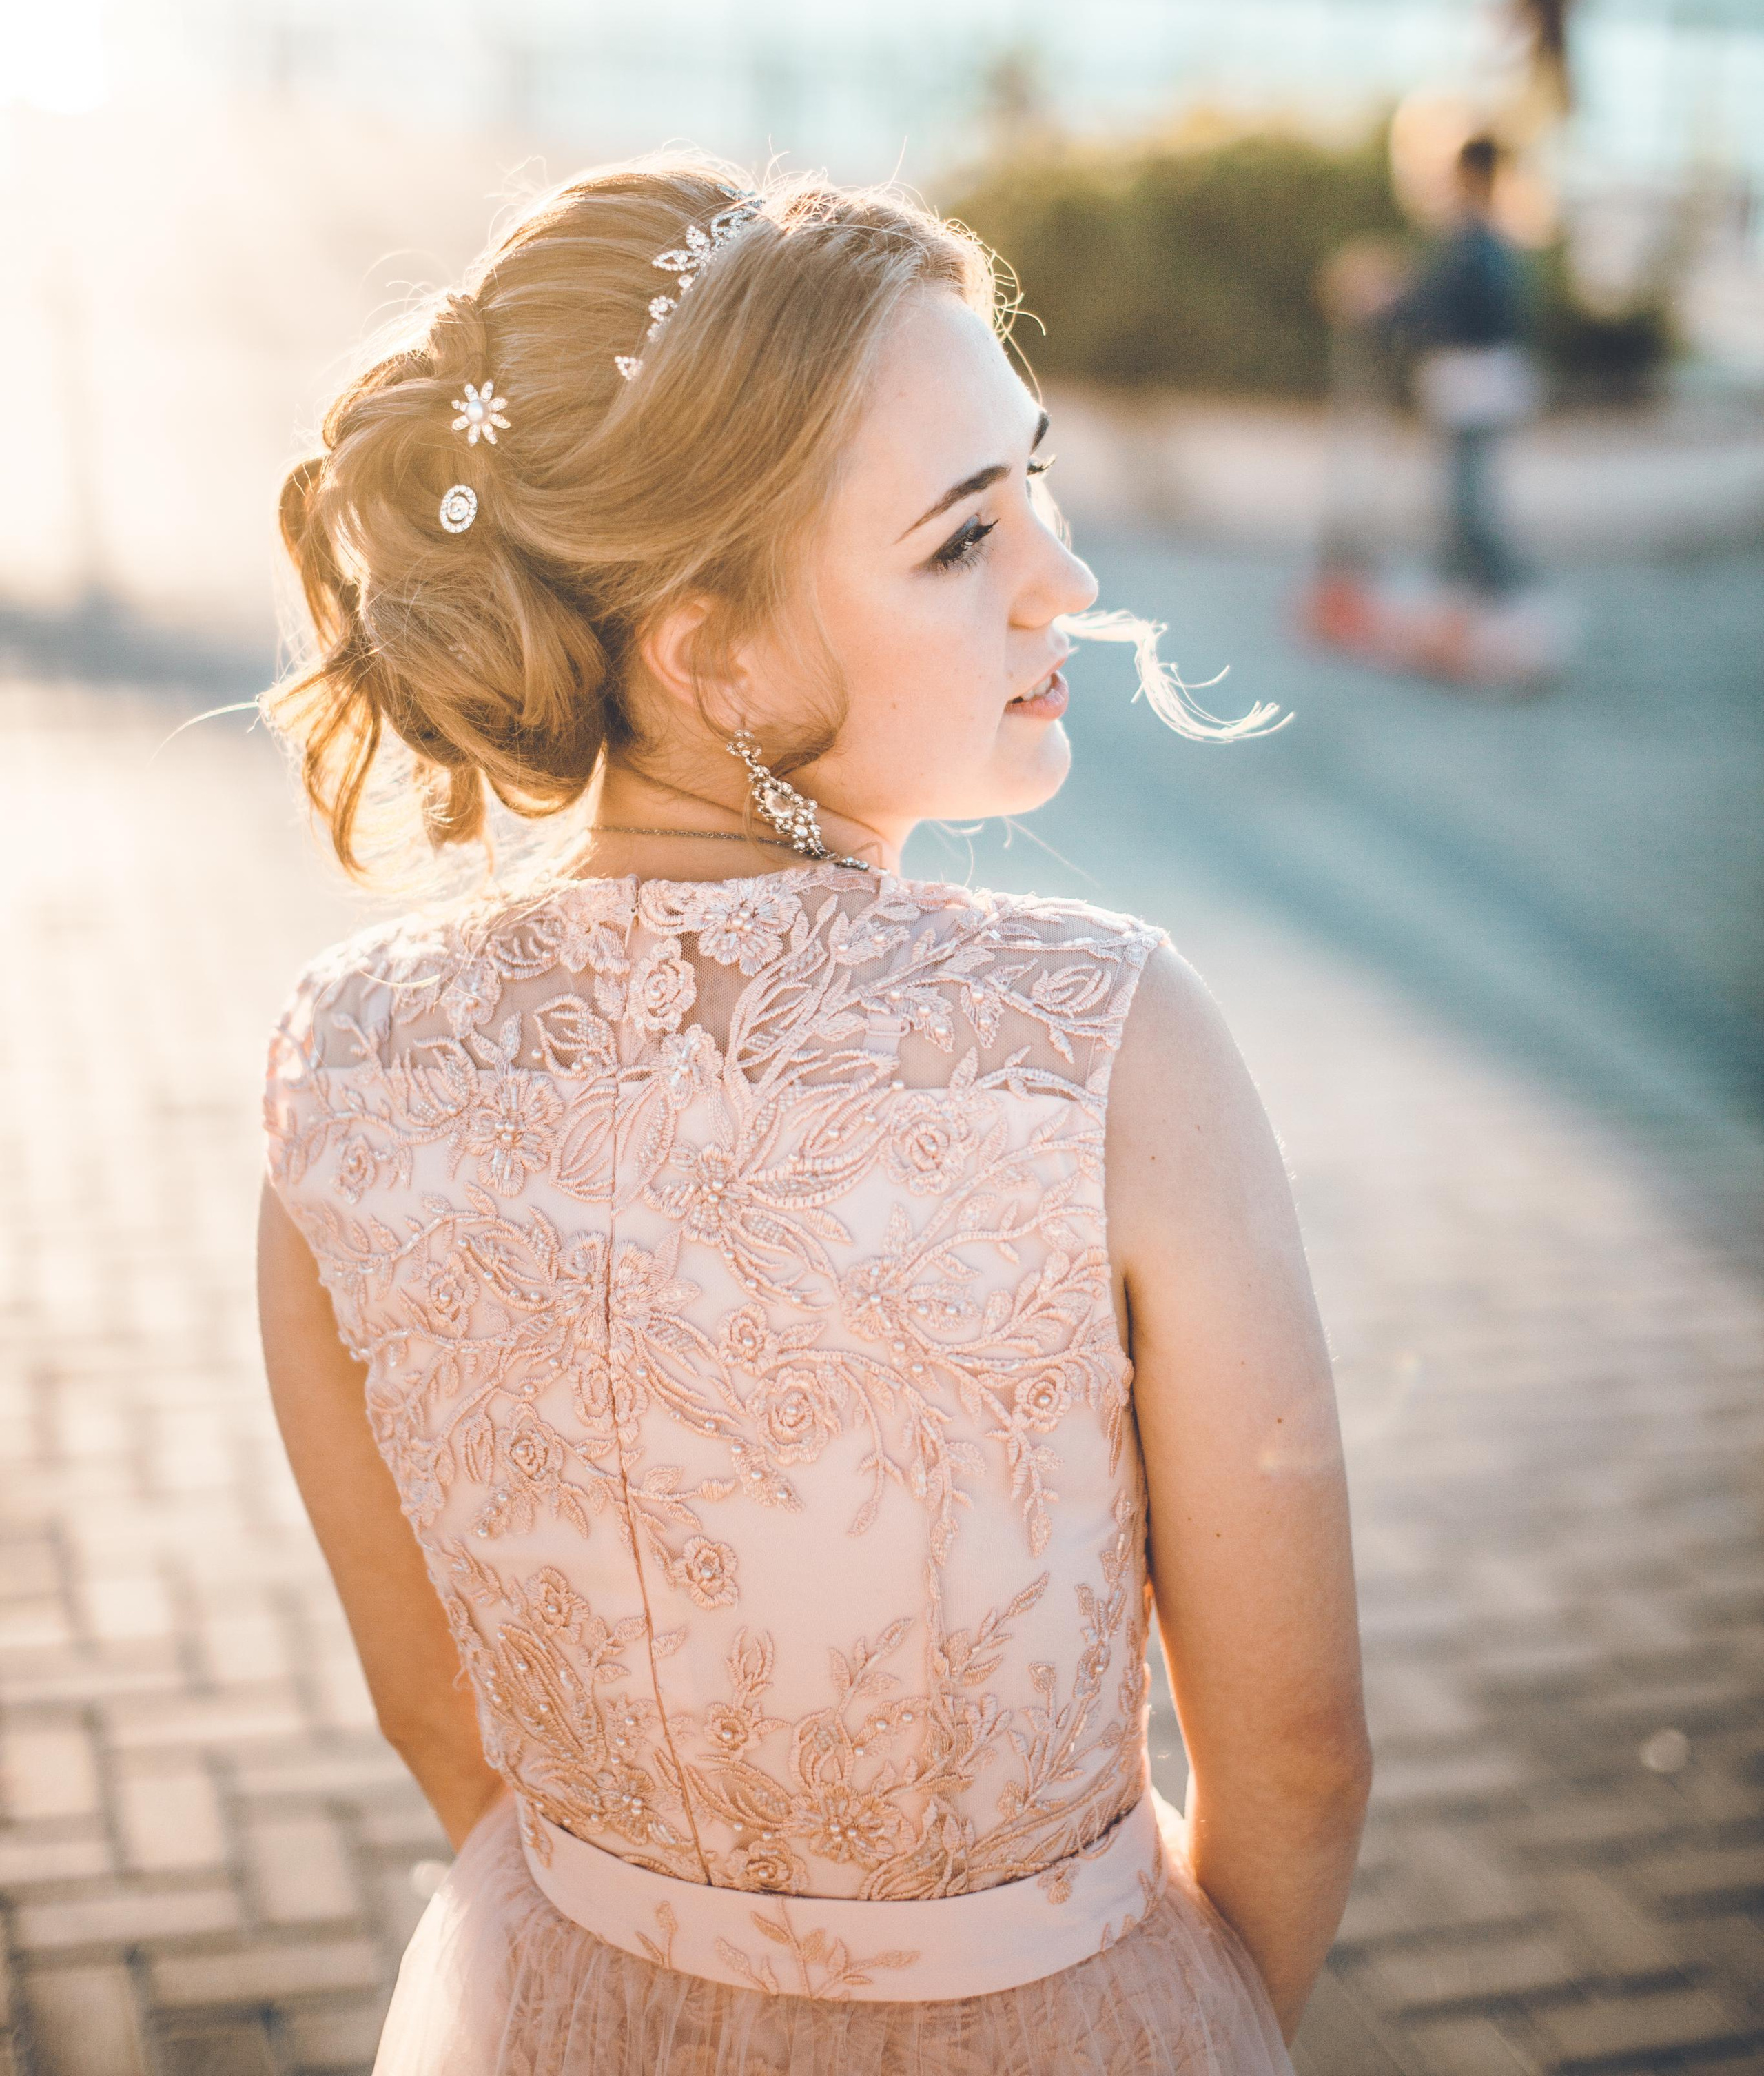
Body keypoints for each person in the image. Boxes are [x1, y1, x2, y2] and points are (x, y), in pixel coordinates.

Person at [258, 159, 1371, 2075]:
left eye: (1037, 481)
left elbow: (437, 1721)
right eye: (962, 539)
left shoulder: (334, 1069)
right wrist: (1176, 2022)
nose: (1068, 581)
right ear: (718, 660)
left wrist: (636, 1970)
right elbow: (1295, 1754)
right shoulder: (1100, 1042)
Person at [1381, 134, 1539, 599]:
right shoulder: (1489, 236)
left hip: (1472, 379)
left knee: (1464, 501)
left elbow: (1445, 307)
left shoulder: (1472, 237)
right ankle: (1474, 591)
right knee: (1466, 495)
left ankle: (1490, 595)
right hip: (1485, 377)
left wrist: (1393, 306)